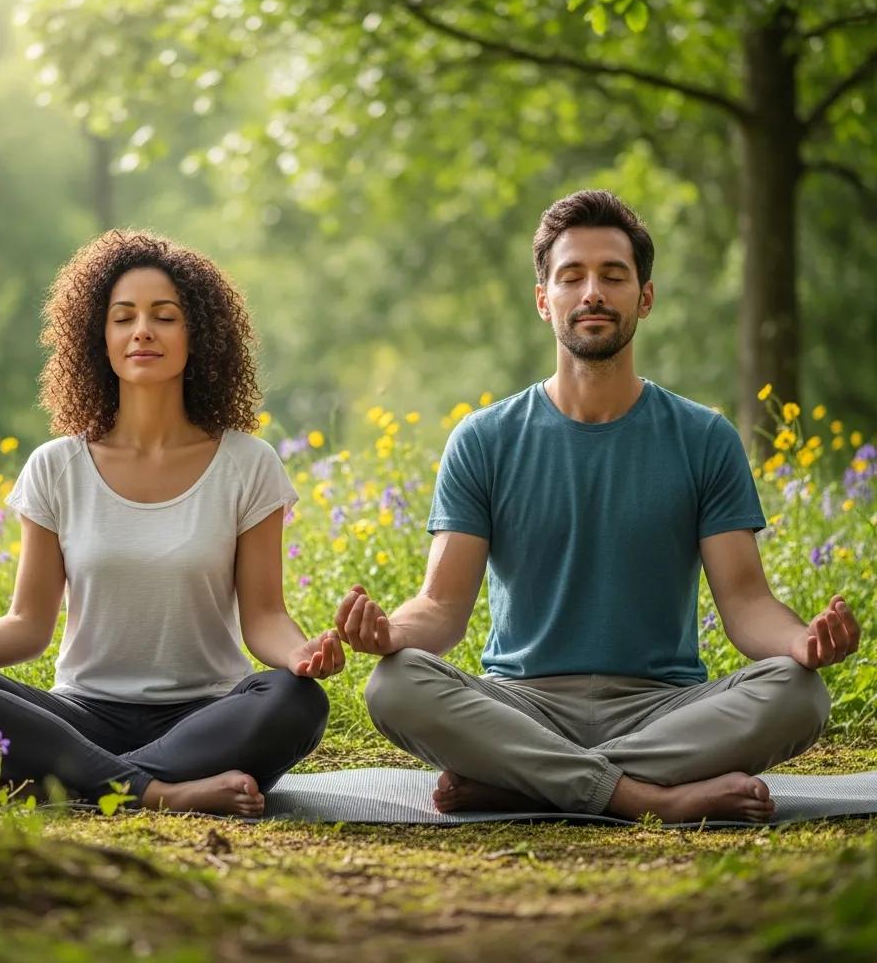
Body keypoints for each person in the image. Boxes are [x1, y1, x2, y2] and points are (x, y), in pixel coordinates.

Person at [335, 189, 861, 824]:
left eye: (613, 276)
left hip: (664, 709)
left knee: (799, 694)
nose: (593, 293)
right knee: (395, 683)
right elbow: (442, 609)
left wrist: (802, 641)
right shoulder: (484, 439)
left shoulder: (704, 438)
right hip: (522, 706)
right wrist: (391, 633)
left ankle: (527, 781)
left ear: (645, 297)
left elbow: (747, 605)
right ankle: (646, 798)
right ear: (543, 299)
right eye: (572, 276)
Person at [0, 229, 343, 817]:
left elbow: (266, 617)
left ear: (198, 335)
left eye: (164, 317)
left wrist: (300, 655)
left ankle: (68, 779)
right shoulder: (57, 466)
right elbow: (28, 624)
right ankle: (160, 792)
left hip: (206, 716)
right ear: (100, 338)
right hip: (82, 716)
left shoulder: (249, 464)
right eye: (123, 318)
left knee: (297, 701)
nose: (142, 330)